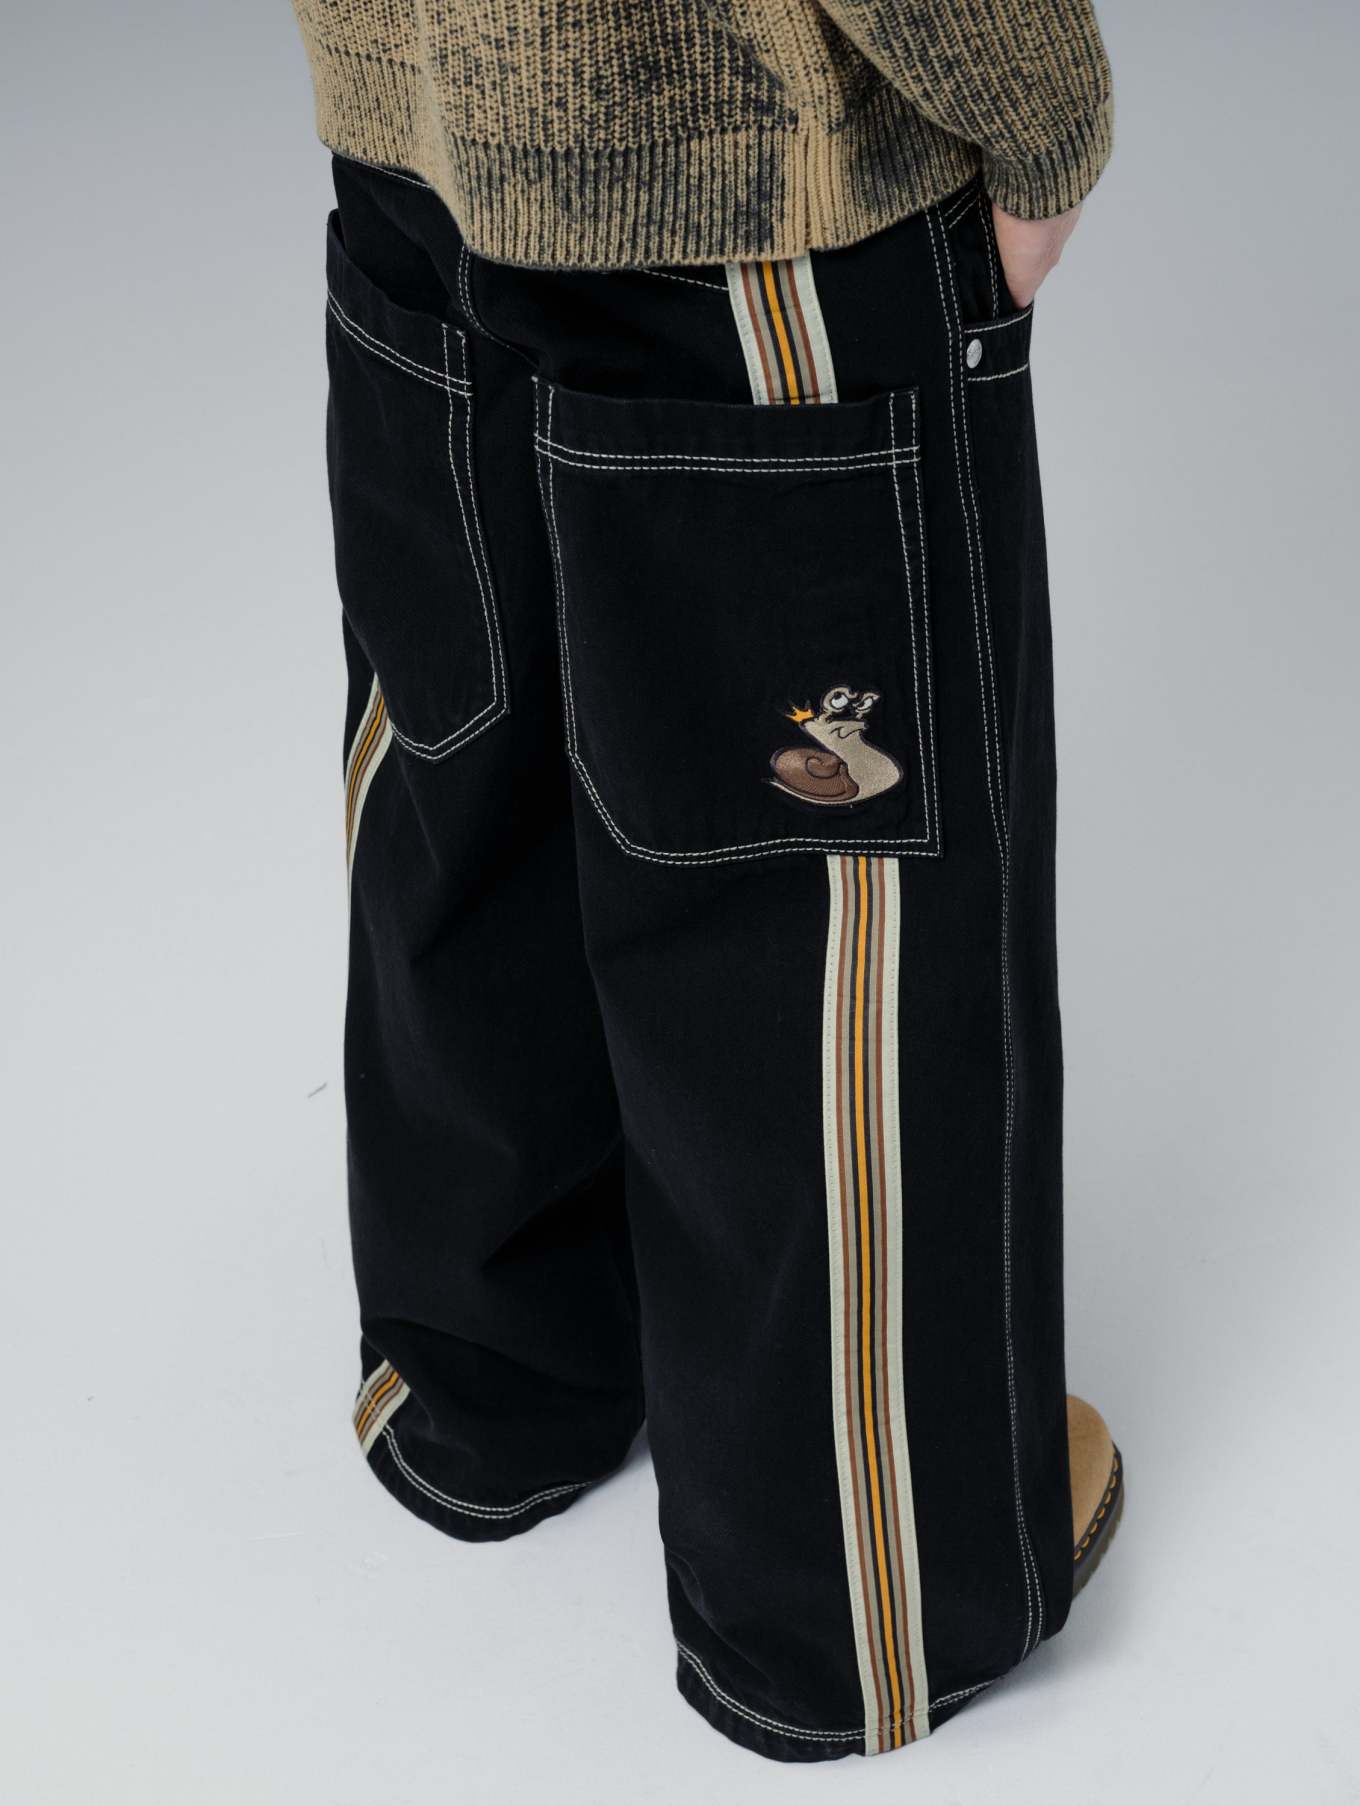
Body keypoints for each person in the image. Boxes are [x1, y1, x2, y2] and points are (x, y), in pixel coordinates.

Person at [293, 0, 1122, 1761]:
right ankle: (841, 1605)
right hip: (734, 177)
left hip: (407, 123)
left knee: (464, 775)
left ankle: (491, 1394)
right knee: (812, 912)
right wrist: (1039, 112)